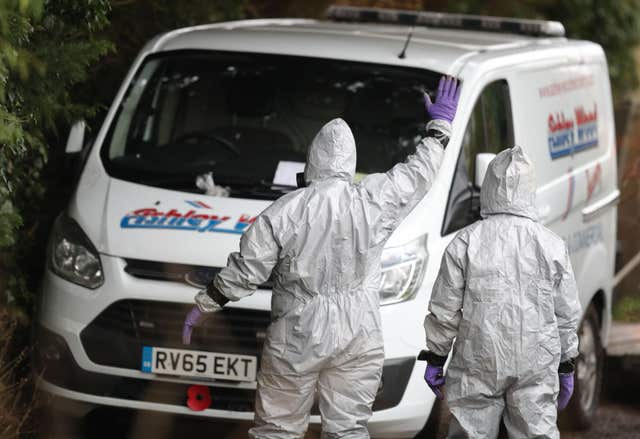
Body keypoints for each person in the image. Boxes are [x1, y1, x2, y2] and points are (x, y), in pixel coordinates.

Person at [182, 76, 460, 438]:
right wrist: (439, 129)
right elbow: (418, 174)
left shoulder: (285, 211)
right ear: (350, 162)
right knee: (348, 429)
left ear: (312, 159)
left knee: (277, 429)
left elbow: (247, 269)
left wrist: (206, 303)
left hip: (297, 331)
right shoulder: (373, 200)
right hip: (358, 331)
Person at [422, 146, 581, 439]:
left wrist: (435, 356)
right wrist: (567, 362)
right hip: (536, 360)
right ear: (531, 189)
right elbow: (566, 313)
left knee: (470, 432)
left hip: (478, 359)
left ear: (489, 186)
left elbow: (444, 309)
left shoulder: (465, 242)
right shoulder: (552, 245)